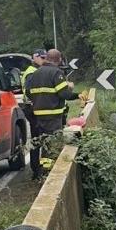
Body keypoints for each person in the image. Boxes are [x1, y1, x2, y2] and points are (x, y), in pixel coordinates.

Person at [25, 49, 78, 179]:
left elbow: (28, 92)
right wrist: (75, 93)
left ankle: (43, 172)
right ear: (59, 60)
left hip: (38, 116)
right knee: (53, 146)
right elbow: (64, 94)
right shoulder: (56, 72)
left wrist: (39, 101)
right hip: (53, 116)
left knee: (44, 144)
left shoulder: (35, 73)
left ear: (47, 58)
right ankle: (50, 175)